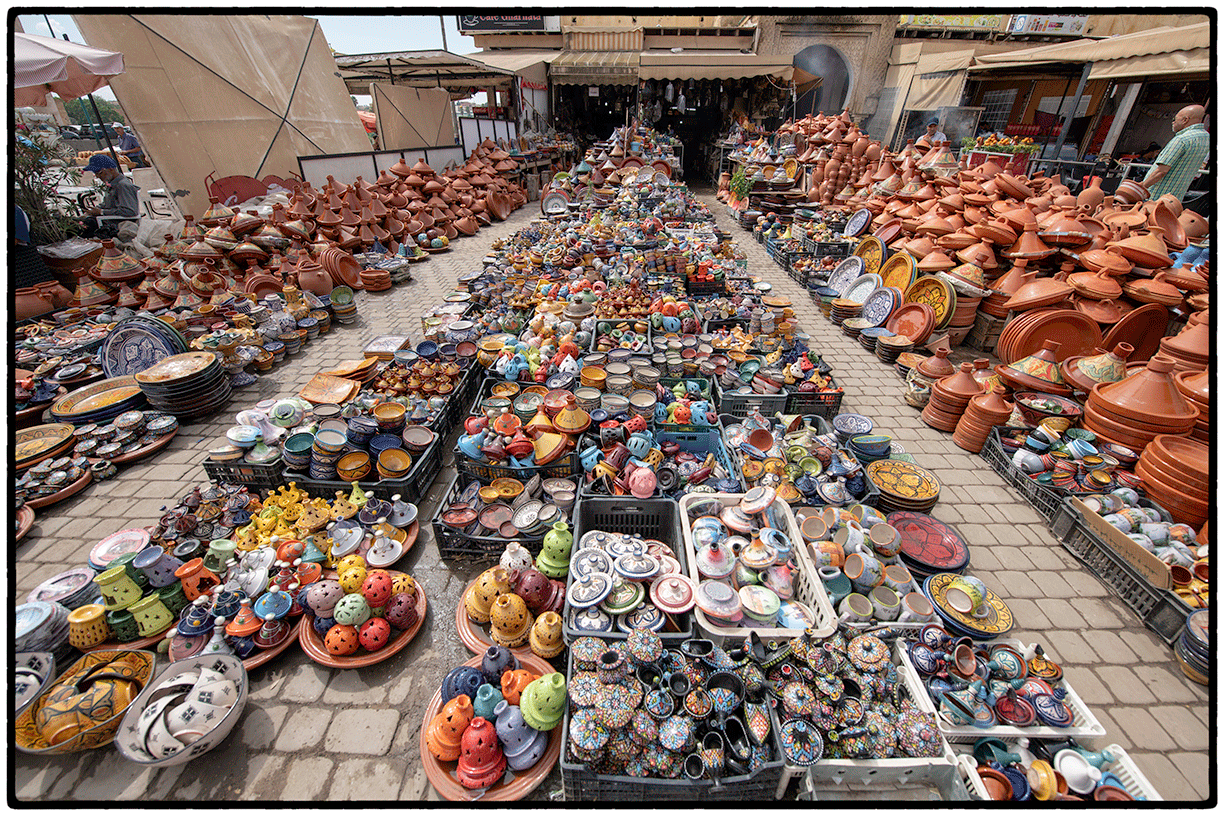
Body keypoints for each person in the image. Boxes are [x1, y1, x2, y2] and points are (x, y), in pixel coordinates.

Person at [1142, 104, 1210, 202]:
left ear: (1185, 120)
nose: (1173, 122)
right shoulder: (1206, 138)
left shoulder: (1181, 139)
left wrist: (1142, 188)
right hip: (1175, 198)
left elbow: (1161, 171)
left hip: (1156, 196)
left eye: (1175, 119)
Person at [79, 154, 139, 238]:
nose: (97, 176)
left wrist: (101, 212)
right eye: (95, 173)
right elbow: (106, 204)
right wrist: (92, 211)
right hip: (108, 220)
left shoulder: (122, 185)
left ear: (111, 169)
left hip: (116, 225)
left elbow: (130, 211)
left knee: (82, 227)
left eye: (99, 172)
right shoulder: (113, 184)